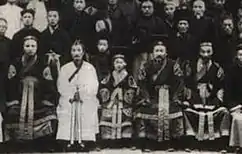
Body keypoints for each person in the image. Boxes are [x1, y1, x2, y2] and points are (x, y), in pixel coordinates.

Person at [4, 35, 58, 152]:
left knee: (48, 112)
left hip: (38, 98)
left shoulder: (43, 63)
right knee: (12, 112)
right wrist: (13, 99)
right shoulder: (16, 63)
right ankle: (18, 144)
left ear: (37, 47)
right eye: (27, 46)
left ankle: (41, 143)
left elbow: (48, 83)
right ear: (23, 47)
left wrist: (46, 98)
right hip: (19, 97)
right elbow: (11, 83)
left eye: (33, 46)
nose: (30, 48)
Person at [134, 36, 185, 152]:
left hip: (169, 95)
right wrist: (146, 97)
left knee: (173, 111)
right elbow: (141, 83)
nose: (159, 53)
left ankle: (169, 142)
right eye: (157, 51)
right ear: (152, 53)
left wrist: (176, 96)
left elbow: (180, 81)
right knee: (147, 110)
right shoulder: (146, 65)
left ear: (166, 53)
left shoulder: (173, 64)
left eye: (162, 51)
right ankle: (150, 142)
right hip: (152, 96)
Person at [183, 41, 230, 152]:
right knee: (187, 112)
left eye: (208, 52)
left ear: (212, 52)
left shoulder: (217, 67)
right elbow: (187, 83)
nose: (205, 55)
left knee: (224, 112)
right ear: (199, 52)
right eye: (203, 52)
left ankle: (217, 143)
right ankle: (192, 142)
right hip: (196, 97)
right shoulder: (192, 66)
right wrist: (189, 98)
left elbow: (220, 85)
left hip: (211, 97)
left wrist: (218, 98)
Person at [56, 40, 99, 152]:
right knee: (66, 108)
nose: (76, 53)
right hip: (69, 98)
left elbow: (94, 85)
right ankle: (68, 141)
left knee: (87, 108)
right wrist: (71, 94)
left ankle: (84, 141)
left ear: (83, 52)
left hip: (85, 97)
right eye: (74, 50)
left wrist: (82, 94)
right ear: (70, 52)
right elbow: (61, 85)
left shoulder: (90, 68)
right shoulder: (65, 68)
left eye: (79, 50)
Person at [98, 46, 138, 149]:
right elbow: (104, 86)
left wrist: (127, 95)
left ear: (125, 64)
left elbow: (132, 88)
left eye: (121, 62)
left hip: (124, 102)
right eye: (116, 63)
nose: (119, 65)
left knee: (125, 118)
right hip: (111, 102)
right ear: (113, 64)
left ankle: (125, 140)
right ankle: (109, 140)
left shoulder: (128, 76)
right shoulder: (110, 76)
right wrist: (106, 94)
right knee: (107, 116)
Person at [224, 44, 242, 153]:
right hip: (236, 105)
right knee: (238, 119)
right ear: (236, 56)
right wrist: (236, 106)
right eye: (240, 54)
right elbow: (228, 93)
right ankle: (238, 146)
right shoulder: (231, 71)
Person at [0, 18, 11, 149]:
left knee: (3, 108)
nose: (1, 28)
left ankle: (4, 141)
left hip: (4, 77)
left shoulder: (9, 42)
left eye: (4, 27)